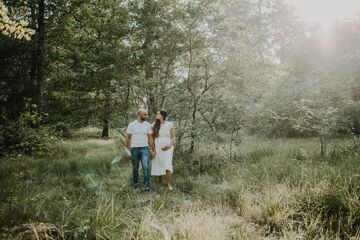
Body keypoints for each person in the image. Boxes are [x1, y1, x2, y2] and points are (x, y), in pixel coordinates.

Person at [125, 109, 155, 191]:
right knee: (135, 167)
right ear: (138, 115)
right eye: (144, 114)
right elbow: (127, 138)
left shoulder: (147, 125)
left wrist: (152, 150)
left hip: (145, 149)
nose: (146, 116)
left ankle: (147, 186)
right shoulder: (132, 125)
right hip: (134, 149)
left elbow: (150, 138)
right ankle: (135, 183)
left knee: (146, 167)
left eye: (146, 114)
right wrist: (127, 151)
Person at [151, 109, 175, 191]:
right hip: (157, 147)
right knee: (158, 164)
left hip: (168, 147)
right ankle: (160, 185)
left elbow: (172, 137)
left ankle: (169, 184)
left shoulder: (169, 124)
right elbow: (152, 139)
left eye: (158, 114)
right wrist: (153, 150)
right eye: (156, 113)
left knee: (167, 164)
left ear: (163, 115)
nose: (156, 115)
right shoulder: (154, 125)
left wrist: (169, 145)